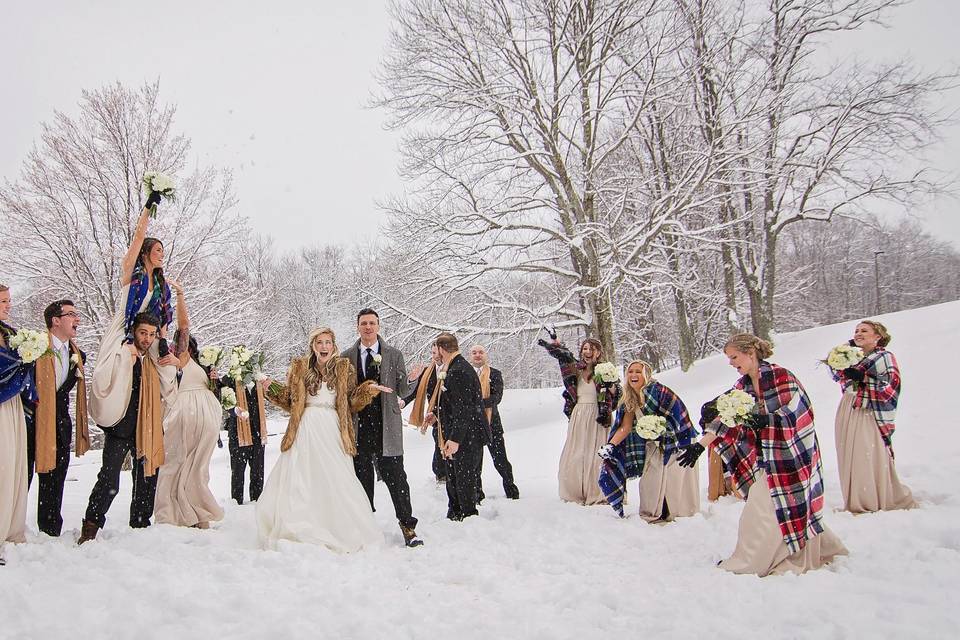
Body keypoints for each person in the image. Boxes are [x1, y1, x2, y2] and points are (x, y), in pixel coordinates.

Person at [677, 334, 847, 576]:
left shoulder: (781, 377)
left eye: (734, 356)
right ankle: (816, 548)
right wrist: (700, 445)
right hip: (766, 457)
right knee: (783, 506)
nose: (730, 363)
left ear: (751, 352)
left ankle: (751, 561)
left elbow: (798, 413)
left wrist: (766, 420)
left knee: (767, 510)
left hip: (793, 453)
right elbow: (724, 419)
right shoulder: (742, 386)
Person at [257, 327, 385, 552]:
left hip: (333, 428)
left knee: (335, 476)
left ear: (334, 346)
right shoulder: (300, 368)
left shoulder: (344, 369)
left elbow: (352, 401)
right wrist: (272, 389)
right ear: (313, 346)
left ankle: (337, 527)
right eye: (319, 342)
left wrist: (368, 390)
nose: (324, 346)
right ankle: (300, 526)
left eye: (328, 342)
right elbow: (291, 400)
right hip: (305, 427)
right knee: (301, 476)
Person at [79, 311, 178, 544]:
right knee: (109, 478)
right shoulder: (122, 353)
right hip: (120, 428)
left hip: (148, 427)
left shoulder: (156, 359)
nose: (147, 338)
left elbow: (169, 386)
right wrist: (127, 356)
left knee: (147, 477)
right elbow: (106, 377)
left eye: (152, 334)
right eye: (143, 332)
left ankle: (141, 523)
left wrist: (174, 364)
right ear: (134, 331)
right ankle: (91, 525)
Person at [342, 309, 422, 547]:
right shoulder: (346, 357)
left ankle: (408, 527)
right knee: (361, 481)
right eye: (364, 323)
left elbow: (404, 391)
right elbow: (344, 395)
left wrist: (413, 380)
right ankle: (364, 529)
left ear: (378, 326)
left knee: (397, 479)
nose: (368, 327)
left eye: (372, 323)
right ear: (358, 327)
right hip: (359, 428)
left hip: (387, 428)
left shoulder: (393, 355)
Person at [153, 283, 224, 529]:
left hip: (205, 418)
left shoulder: (200, 365)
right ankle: (176, 512)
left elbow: (215, 390)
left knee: (197, 468)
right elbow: (183, 327)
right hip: (186, 415)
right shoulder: (177, 358)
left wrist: (215, 380)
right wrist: (181, 296)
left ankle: (194, 511)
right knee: (177, 462)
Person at [831, 320, 917, 513]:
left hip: (869, 410)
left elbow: (891, 385)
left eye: (864, 331)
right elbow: (837, 376)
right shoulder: (851, 355)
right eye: (856, 331)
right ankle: (855, 498)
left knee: (865, 453)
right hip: (849, 405)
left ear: (877, 336)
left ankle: (874, 497)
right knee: (849, 453)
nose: (858, 333)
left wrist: (864, 379)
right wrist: (840, 362)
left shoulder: (884, 357)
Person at [598, 360, 698, 521]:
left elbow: (676, 415)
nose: (633, 375)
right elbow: (625, 427)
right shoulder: (628, 397)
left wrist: (661, 429)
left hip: (676, 440)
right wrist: (611, 445)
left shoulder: (660, 391)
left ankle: (671, 512)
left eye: (638, 371)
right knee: (651, 480)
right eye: (630, 372)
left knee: (672, 479)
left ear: (647, 374)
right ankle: (651, 512)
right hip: (651, 442)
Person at [25, 299, 90, 537]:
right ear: (55, 320)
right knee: (22, 477)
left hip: (60, 425)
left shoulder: (78, 355)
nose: (77, 319)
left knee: (55, 479)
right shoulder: (33, 348)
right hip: (31, 423)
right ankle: (10, 527)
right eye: (71, 314)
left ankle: (50, 530)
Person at [540, 334, 621, 505]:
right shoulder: (575, 369)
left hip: (600, 415)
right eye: (585, 348)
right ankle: (576, 491)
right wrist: (553, 346)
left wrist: (611, 386)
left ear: (599, 352)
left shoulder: (605, 371)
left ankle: (600, 492)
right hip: (579, 415)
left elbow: (617, 396)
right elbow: (564, 356)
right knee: (577, 454)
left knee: (597, 456)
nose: (588, 352)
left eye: (592, 349)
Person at [427, 333, 488, 520]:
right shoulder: (453, 367)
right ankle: (455, 513)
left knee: (464, 479)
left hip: (466, 437)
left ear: (441, 349)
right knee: (454, 478)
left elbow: (464, 409)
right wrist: (436, 416)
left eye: (435, 349)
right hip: (457, 433)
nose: (434, 353)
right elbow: (452, 404)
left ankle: (467, 516)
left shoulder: (459, 370)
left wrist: (454, 440)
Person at [0, 284, 31, 565]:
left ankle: (8, 524)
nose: (8, 306)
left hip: (11, 405)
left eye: (9, 301)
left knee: (12, 463)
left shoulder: (10, 335)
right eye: (3, 301)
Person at [214, 352, 268, 505]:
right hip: (238, 433)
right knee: (237, 472)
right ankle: (236, 504)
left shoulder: (259, 381)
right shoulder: (231, 380)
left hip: (258, 432)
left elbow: (274, 393)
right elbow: (217, 391)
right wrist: (213, 376)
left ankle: (257, 502)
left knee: (258, 471)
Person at [468, 344, 519, 500]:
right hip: (472, 425)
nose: (477, 355)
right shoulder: (465, 374)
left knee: (500, 459)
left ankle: (511, 490)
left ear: (486, 355)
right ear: (470, 356)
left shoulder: (495, 374)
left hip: (492, 424)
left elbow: (496, 398)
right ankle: (477, 494)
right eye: (474, 353)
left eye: (481, 352)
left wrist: (476, 403)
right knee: (475, 462)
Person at [403, 344, 445, 482]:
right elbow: (416, 391)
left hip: (450, 414)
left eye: (438, 352)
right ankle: (441, 474)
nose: (436, 356)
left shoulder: (454, 369)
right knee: (438, 442)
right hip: (434, 417)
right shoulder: (427, 372)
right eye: (433, 353)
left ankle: (446, 473)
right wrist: (403, 402)